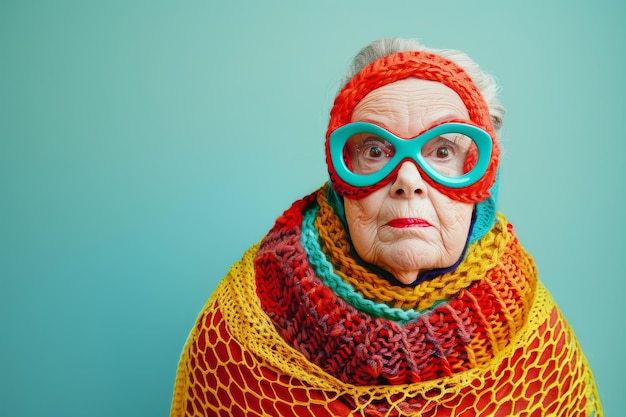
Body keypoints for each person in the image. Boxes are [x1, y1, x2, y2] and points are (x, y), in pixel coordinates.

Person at [170, 38, 601, 417]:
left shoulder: (539, 348)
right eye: (376, 150)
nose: (408, 179)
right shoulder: (238, 334)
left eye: (443, 150)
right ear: (342, 175)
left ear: (483, 174)